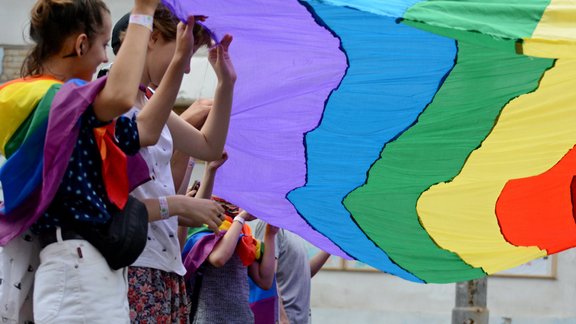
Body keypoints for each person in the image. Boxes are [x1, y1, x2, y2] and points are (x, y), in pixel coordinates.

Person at [0, 0, 211, 322]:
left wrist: (182, 56)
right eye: (101, 44)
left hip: (91, 265)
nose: (104, 56)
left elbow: (146, 130)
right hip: (76, 263)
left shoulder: (74, 110)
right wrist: (143, 11)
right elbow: (122, 96)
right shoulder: (45, 99)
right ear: (81, 44)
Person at [109, 5, 237, 322]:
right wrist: (179, 205)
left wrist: (226, 84)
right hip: (132, 260)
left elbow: (209, 146)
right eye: (180, 52)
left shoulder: (150, 102)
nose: (187, 69)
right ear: (151, 38)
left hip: (164, 262)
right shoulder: (108, 101)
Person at [181, 154, 278, 323]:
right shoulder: (202, 227)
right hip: (210, 319)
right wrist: (240, 219)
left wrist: (271, 234)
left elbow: (265, 280)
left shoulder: (242, 234)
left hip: (242, 318)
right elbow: (218, 258)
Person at [251, 222, 331, 324]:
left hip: (299, 319)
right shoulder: (271, 223)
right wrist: (282, 318)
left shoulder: (294, 229)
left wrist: (331, 248)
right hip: (284, 319)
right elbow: (268, 277)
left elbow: (302, 274)